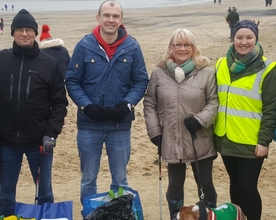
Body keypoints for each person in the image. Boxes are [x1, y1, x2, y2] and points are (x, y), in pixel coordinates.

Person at [65, 0, 149, 216]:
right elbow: (72, 80)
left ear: (121, 19)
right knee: (88, 178)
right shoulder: (84, 45)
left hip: (120, 126)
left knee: (120, 179)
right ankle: (88, 215)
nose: (111, 19)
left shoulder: (132, 46)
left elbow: (141, 80)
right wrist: (87, 106)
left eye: (115, 16)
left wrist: (127, 104)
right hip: (89, 125)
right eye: (106, 15)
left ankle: (119, 215)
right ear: (98, 18)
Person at [0, 9, 68, 217]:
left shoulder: (49, 63)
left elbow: (60, 103)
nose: (24, 33)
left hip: (40, 141)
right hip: (7, 141)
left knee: (44, 191)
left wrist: (51, 133)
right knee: (5, 194)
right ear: (12, 33)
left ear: (36, 33)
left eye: (29, 29)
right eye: (19, 29)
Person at [143, 28, 219, 220]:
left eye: (187, 44)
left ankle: (210, 215)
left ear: (193, 47)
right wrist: (154, 132)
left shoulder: (206, 72)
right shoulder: (159, 73)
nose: (183, 48)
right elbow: (150, 103)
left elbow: (214, 102)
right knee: (175, 185)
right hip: (171, 139)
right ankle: (175, 217)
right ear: (171, 47)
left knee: (205, 184)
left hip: (198, 138)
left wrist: (200, 120)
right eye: (178, 44)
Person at [214, 20, 276, 220]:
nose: (244, 42)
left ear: (256, 39)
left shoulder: (268, 67)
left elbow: (271, 108)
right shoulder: (221, 63)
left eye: (249, 37)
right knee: (235, 185)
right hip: (225, 137)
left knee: (248, 187)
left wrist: (263, 141)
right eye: (239, 37)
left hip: (251, 141)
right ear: (232, 38)